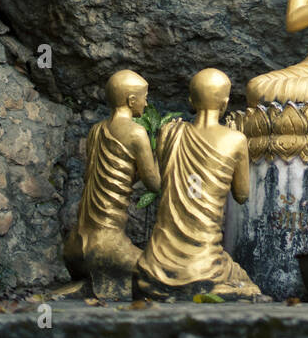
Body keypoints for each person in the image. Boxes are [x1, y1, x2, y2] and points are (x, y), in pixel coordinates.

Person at [136, 68, 264, 300]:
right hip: (205, 263)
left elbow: (159, 181)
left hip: (155, 263)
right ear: (225, 103)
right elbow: (242, 195)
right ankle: (203, 284)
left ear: (191, 100)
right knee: (245, 283)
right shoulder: (236, 140)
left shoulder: (169, 132)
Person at [63, 69, 159, 295]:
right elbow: (154, 184)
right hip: (107, 247)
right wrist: (163, 151)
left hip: (74, 248)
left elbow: (112, 176)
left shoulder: (96, 130)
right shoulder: (136, 133)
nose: (146, 105)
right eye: (144, 98)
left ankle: (92, 282)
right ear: (131, 100)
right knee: (161, 273)